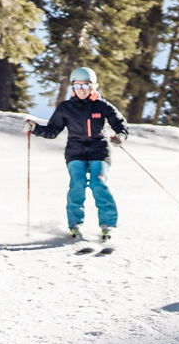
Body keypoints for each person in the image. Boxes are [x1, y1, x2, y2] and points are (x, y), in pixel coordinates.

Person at [25, 67, 128, 241]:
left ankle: (108, 225)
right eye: (77, 86)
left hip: (99, 151)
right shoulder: (66, 108)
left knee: (98, 183)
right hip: (76, 152)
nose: (81, 90)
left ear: (93, 87)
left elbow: (120, 124)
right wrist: (35, 128)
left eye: (85, 85)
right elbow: (52, 130)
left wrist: (120, 137)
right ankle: (75, 225)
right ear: (73, 87)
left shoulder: (102, 106)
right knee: (77, 184)